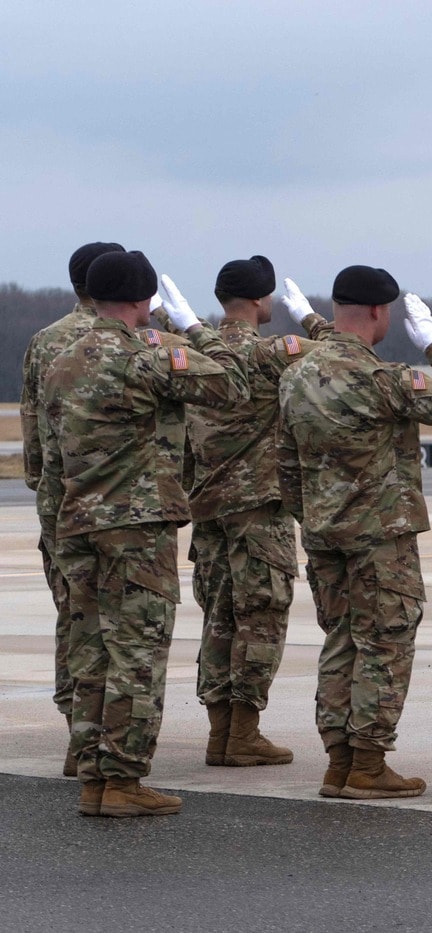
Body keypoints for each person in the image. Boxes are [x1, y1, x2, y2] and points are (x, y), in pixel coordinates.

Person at [44, 252, 249, 817]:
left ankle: (94, 777)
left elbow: (49, 452)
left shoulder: (61, 359)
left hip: (76, 522)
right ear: (142, 299)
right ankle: (123, 780)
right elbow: (232, 384)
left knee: (91, 653)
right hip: (135, 528)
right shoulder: (144, 357)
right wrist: (190, 330)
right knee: (137, 650)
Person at [278, 265, 432, 800]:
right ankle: (368, 763)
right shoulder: (380, 378)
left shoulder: (296, 375)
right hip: (379, 535)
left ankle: (339, 762)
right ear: (377, 311)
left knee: (341, 639)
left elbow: (286, 463)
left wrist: (313, 515)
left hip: (324, 532)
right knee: (385, 640)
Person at [186, 259, 333, 767]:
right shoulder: (268, 353)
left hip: (207, 506)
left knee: (219, 618)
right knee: (261, 617)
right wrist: (312, 319)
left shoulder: (197, 351)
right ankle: (243, 733)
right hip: (257, 508)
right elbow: (344, 353)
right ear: (259, 300)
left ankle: (220, 733)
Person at [21, 241, 126, 777]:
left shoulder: (46, 340)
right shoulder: (126, 339)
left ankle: (76, 732)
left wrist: (44, 487)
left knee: (74, 617)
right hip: (117, 506)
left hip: (58, 503)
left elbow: (33, 427)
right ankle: (108, 739)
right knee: (121, 625)